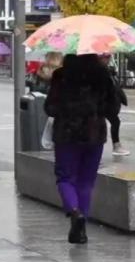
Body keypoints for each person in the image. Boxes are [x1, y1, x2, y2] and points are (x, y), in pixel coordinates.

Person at [43, 54, 119, 244]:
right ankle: (81, 227)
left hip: (66, 134)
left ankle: (74, 212)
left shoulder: (61, 75)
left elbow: (50, 107)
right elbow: (113, 109)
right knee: (86, 182)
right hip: (94, 134)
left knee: (65, 177)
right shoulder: (103, 75)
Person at [100, 55, 130, 156]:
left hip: (107, 103)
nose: (108, 59)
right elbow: (109, 88)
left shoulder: (106, 70)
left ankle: (116, 145)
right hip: (104, 103)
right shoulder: (100, 71)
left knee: (115, 122)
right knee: (114, 122)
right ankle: (116, 146)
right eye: (106, 57)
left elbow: (115, 87)